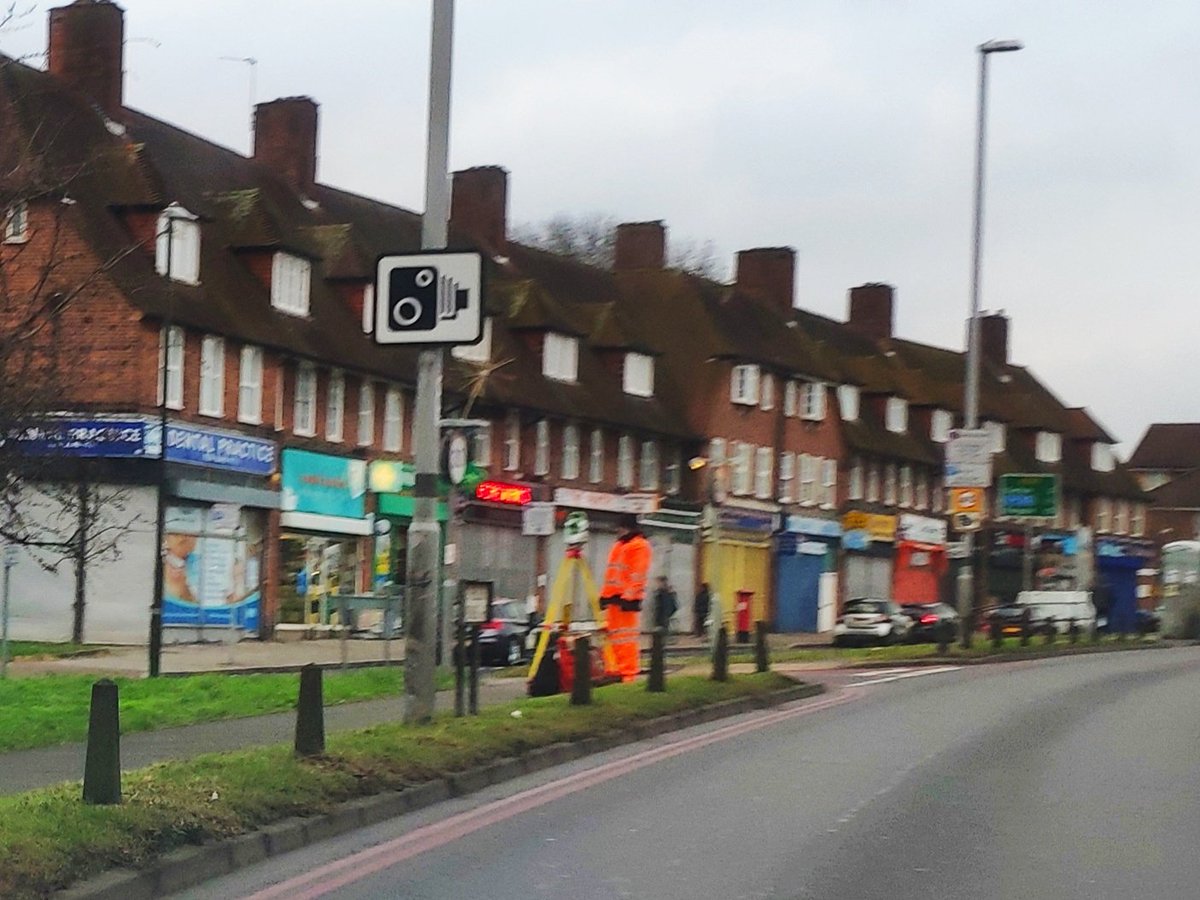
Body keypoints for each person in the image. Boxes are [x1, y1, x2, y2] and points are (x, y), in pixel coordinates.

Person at [600, 514, 652, 682]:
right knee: (612, 639)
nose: (617, 531)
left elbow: (638, 575)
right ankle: (613, 671)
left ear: (626, 527)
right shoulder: (619, 546)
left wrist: (630, 597)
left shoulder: (640, 546)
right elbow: (611, 574)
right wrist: (605, 596)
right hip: (614, 601)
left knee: (626, 640)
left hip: (625, 602)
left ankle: (627, 675)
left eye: (620, 527)